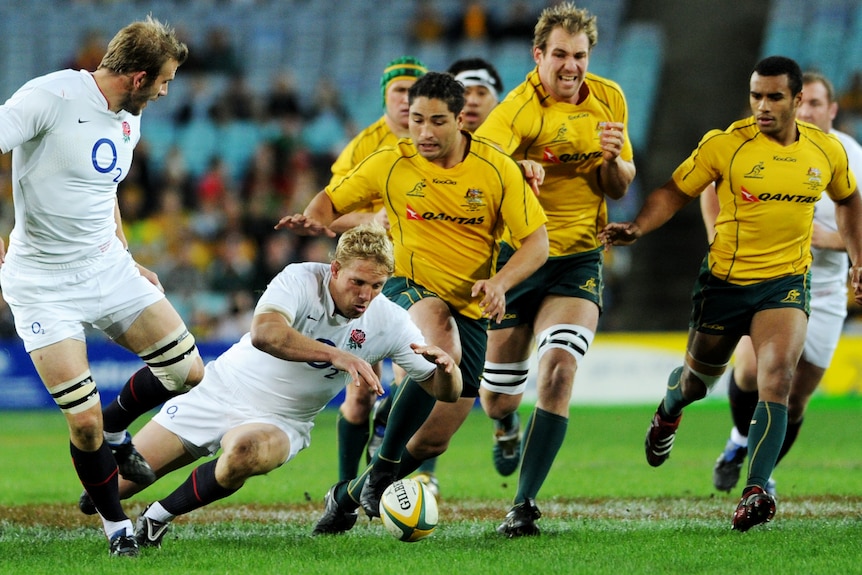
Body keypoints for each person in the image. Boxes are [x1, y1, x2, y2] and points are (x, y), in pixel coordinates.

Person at [276, 71, 549, 534]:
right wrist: (315, 221)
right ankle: (382, 469)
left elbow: (536, 243)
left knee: (433, 439)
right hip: (407, 285)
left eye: (437, 121)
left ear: (461, 120)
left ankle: (345, 497)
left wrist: (501, 282)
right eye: (417, 119)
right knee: (440, 340)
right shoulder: (391, 161)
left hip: (472, 304)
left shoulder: (496, 168)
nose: (423, 132)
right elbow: (328, 202)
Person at [600, 56, 862, 532]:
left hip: (785, 284)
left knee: (777, 377)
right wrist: (638, 226)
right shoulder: (726, 145)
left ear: (798, 100)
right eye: (755, 95)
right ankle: (669, 409)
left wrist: (859, 260)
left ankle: (757, 487)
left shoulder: (827, 152)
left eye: (774, 97)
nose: (762, 106)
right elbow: (675, 191)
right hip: (725, 284)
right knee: (697, 383)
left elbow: (849, 201)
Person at [79, 224, 461, 548]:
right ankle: (121, 482)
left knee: (243, 453)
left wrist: (447, 369)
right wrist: (337, 356)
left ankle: (157, 518)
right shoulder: (300, 278)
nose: (365, 296)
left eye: (376, 286)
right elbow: (265, 333)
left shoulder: (389, 321)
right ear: (335, 269)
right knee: (99, 495)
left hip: (283, 421)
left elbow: (444, 391)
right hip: (220, 389)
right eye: (357, 282)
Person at [0, 17, 202, 557]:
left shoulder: (128, 120)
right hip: (43, 283)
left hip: (107, 269)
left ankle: (119, 427)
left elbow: (103, 188)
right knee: (81, 423)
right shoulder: (51, 95)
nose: (166, 91)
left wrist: (127, 257)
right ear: (138, 77)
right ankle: (117, 528)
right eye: (164, 81)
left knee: (187, 371)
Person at [472, 2, 635, 537]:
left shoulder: (609, 99)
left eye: (580, 55)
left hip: (578, 260)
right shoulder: (516, 108)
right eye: (560, 55)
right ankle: (504, 424)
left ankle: (523, 503)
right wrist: (517, 166)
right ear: (537, 54)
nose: (571, 66)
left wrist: (613, 161)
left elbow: (618, 185)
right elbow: (480, 167)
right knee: (497, 396)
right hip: (518, 259)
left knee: (560, 370)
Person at [703, 71, 862, 496]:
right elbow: (711, 186)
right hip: (769, 282)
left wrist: (825, 240)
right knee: (752, 371)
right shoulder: (754, 146)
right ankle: (743, 445)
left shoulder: (851, 157)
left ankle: (757, 466)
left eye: (815, 104)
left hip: (827, 293)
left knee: (795, 399)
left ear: (831, 110)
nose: (805, 110)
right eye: (801, 102)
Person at [366, 56, 505, 497]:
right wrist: (371, 221)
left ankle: (358, 489)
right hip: (416, 282)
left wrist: (534, 168)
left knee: (458, 411)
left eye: (483, 92)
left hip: (489, 283)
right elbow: (332, 205)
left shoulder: (504, 145)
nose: (424, 127)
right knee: (435, 354)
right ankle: (393, 459)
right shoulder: (388, 152)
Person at [321, 56, 427, 488]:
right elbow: (329, 214)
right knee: (360, 391)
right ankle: (345, 487)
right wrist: (372, 219)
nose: (405, 100)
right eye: (397, 91)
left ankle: (386, 446)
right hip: (372, 281)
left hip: (421, 278)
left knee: (411, 369)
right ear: (385, 96)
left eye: (412, 92)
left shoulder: (441, 142)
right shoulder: (365, 146)